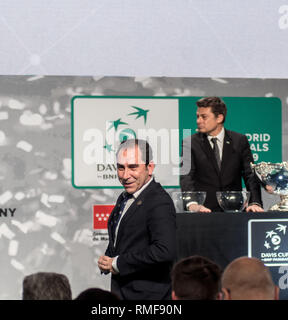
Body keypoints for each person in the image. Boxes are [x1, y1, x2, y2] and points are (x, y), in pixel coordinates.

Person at [97, 139, 177, 300]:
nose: (125, 176)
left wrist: (117, 263)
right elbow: (127, 238)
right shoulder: (126, 196)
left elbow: (164, 251)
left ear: (150, 168)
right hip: (123, 292)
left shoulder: (158, 201)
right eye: (120, 168)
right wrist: (108, 258)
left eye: (133, 167)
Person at [180, 96, 264, 212]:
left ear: (219, 118)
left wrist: (255, 202)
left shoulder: (239, 140)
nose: (198, 121)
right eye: (198, 116)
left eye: (204, 117)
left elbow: (250, 175)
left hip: (235, 211)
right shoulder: (189, 142)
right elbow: (186, 176)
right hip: (203, 211)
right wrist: (192, 203)